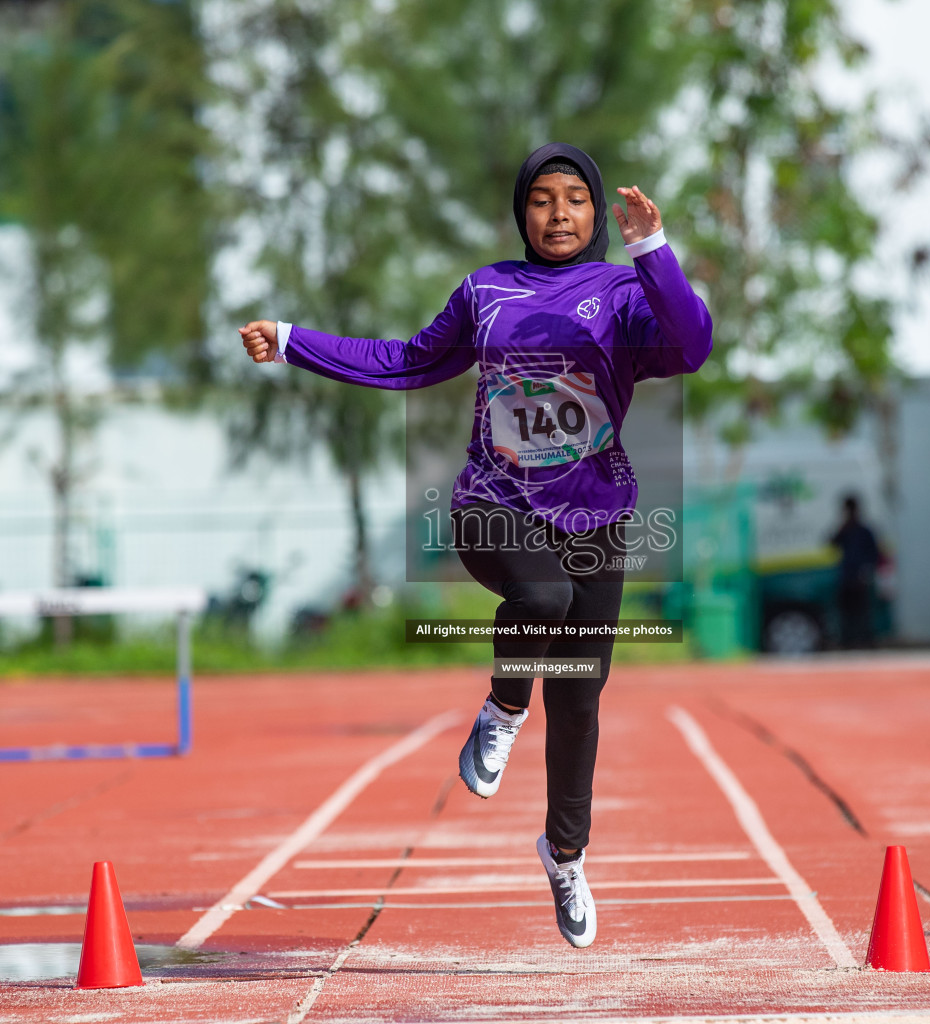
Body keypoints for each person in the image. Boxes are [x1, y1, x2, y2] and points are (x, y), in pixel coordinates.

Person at [239, 142, 712, 947]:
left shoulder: (623, 293)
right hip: (495, 510)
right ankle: (499, 708)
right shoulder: (485, 290)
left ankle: (565, 855)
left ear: (598, 212)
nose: (557, 214)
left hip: (595, 520)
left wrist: (653, 251)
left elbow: (692, 344)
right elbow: (404, 363)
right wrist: (291, 340)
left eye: (574, 200)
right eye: (540, 199)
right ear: (520, 212)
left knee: (579, 701)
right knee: (540, 597)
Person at [828, 493, 882, 649]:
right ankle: (847, 641)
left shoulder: (864, 530)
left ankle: (866, 641)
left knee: (863, 612)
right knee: (846, 612)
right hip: (846, 577)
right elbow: (830, 543)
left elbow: (874, 553)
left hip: (860, 577)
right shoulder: (845, 529)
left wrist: (866, 570)